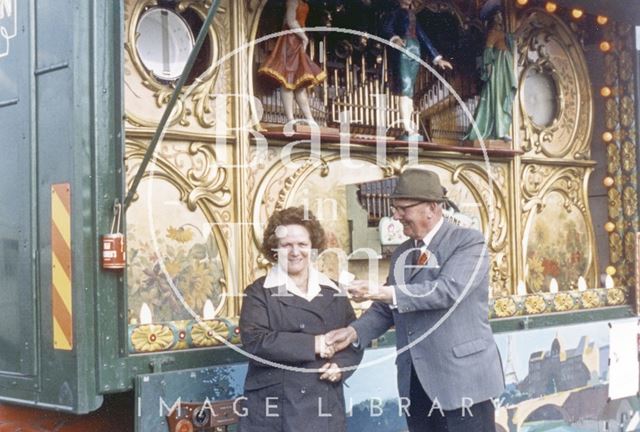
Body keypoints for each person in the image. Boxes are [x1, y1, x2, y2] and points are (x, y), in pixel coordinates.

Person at [326, 168, 504, 432]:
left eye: (402, 208)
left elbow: (446, 291)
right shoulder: (402, 254)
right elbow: (385, 310)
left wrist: (385, 292)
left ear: (431, 208)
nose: (396, 216)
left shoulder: (468, 242)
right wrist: (353, 333)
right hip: (416, 383)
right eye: (394, 208)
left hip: (464, 381)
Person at [238, 207, 362, 432]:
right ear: (275, 249)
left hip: (325, 408)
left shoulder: (333, 291)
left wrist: (341, 367)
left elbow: (353, 339)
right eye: (287, 245)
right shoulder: (258, 293)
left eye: (302, 245)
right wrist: (315, 344)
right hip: (274, 413)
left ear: (313, 247)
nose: (295, 252)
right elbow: (255, 343)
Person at [383, 0, 453, 141]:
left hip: (415, 49)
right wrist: (395, 38)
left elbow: (423, 37)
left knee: (410, 91)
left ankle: (408, 125)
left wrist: (437, 58)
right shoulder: (394, 13)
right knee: (405, 87)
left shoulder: (412, 15)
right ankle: (407, 127)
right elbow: (386, 28)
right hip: (404, 47)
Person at [258, 0, 326, 125]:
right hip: (290, 41)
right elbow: (290, 21)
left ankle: (309, 118)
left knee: (299, 84)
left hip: (297, 41)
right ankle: (290, 119)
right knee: (287, 80)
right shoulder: (292, 1)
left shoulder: (303, 3)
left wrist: (302, 38)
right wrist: (304, 37)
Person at [465, 7, 516, 141]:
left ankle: (502, 129)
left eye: (500, 15)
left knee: (502, 95)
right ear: (493, 18)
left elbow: (514, 39)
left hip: (505, 67)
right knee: (496, 96)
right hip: (498, 66)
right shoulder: (493, 32)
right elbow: (488, 50)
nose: (500, 18)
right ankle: (499, 130)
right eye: (498, 16)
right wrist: (488, 66)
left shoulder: (504, 33)